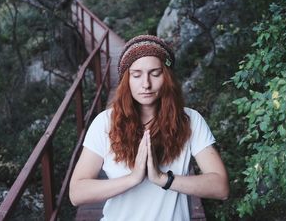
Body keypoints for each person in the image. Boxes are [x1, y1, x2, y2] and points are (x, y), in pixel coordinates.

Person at [69, 35, 229, 220]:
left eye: (155, 73)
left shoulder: (190, 120)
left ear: (167, 77)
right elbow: (76, 193)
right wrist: (133, 178)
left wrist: (162, 179)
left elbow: (221, 187)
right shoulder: (105, 123)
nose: (146, 84)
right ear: (126, 80)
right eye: (136, 75)